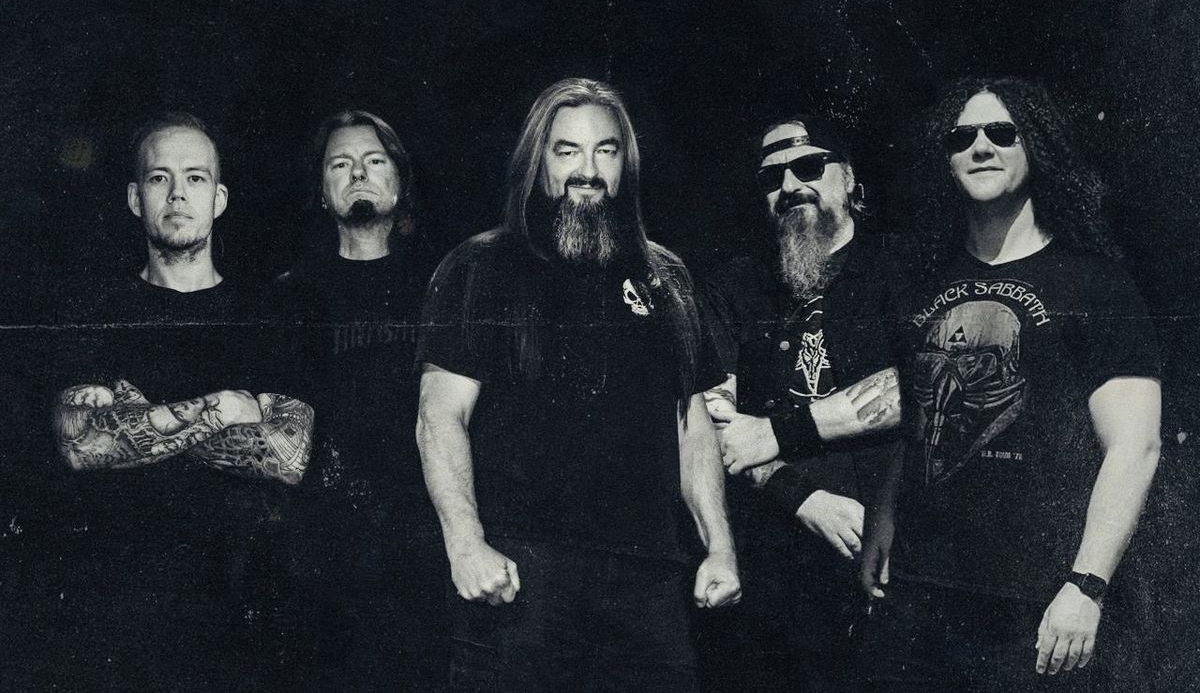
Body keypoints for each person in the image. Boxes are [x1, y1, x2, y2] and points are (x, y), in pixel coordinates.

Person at [416, 77, 741, 689]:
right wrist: (465, 544)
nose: (587, 170)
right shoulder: (480, 265)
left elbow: (692, 424)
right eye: (567, 151)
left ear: (625, 164)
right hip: (520, 580)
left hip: (649, 588)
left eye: (605, 151)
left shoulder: (666, 277)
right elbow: (439, 415)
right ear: (538, 162)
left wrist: (720, 546)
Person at [858, 77, 1162, 691]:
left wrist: (1087, 584)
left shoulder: (1094, 282)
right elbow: (918, 416)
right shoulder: (921, 281)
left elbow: (1135, 445)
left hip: (1041, 604)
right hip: (923, 589)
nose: (980, 147)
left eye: (1001, 133)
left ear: (1036, 147)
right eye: (961, 137)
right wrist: (883, 517)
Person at [47, 112, 314, 690]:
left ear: (219, 199)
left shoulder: (267, 314)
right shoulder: (92, 310)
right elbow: (81, 444)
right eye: (158, 177)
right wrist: (229, 407)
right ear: (134, 198)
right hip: (118, 618)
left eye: (195, 178)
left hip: (243, 619)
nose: (176, 194)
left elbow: (289, 455)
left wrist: (135, 420)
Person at [698, 114, 903, 691]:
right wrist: (803, 497)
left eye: (809, 167)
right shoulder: (734, 285)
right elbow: (712, 423)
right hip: (773, 574)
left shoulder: (904, 269)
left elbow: (923, 389)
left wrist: (774, 433)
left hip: (890, 555)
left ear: (850, 178)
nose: (790, 186)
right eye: (772, 177)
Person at [268, 110, 446, 687]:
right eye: (340, 164)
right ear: (322, 190)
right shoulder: (292, 295)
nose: (358, 174)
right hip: (326, 554)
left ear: (400, 178)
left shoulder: (445, 284)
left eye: (374, 160)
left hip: (427, 544)